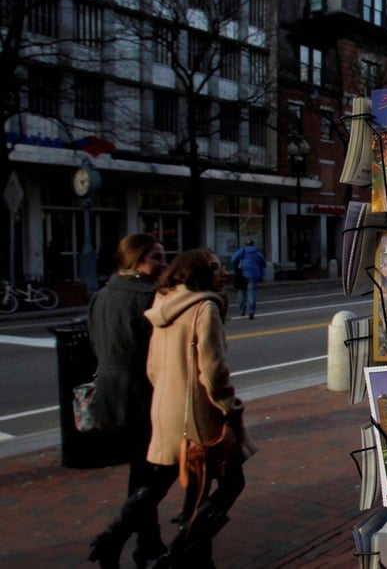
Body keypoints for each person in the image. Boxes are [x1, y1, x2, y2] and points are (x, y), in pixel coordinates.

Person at [145, 248, 256, 567]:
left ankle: (188, 554)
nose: (224, 273)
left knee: (191, 487)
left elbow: (152, 366)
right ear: (198, 273)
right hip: (199, 414)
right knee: (227, 483)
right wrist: (230, 409)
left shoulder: (162, 303)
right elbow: (213, 371)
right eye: (215, 268)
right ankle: (179, 554)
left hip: (166, 409)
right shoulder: (205, 308)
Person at [87, 233, 168, 569]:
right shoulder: (152, 297)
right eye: (156, 257)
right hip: (142, 393)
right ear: (135, 260)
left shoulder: (101, 295)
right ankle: (118, 537)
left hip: (108, 393)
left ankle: (147, 544)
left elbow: (94, 340)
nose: (163, 264)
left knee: (142, 470)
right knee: (157, 469)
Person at [230, 239, 266, 319]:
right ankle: (251, 311)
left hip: (243, 274)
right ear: (253, 245)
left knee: (241, 292)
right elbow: (264, 263)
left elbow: (233, 259)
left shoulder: (242, 251)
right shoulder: (257, 253)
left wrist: (238, 266)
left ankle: (242, 310)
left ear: (246, 245)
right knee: (251, 292)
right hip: (254, 275)